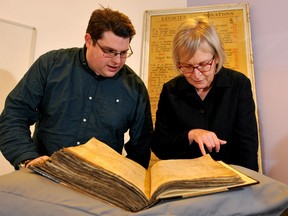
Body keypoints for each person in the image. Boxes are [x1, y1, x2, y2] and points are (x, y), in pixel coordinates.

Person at [0, 7, 153, 169]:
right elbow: (14, 116)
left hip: (99, 187)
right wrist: (28, 158)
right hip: (44, 177)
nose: (117, 61)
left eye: (123, 53)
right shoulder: (51, 65)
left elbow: (141, 148)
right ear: (89, 40)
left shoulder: (135, 88)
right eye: (110, 51)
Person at [151, 16, 259, 171]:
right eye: (187, 66)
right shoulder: (170, 90)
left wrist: (248, 188)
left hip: (230, 181)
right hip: (186, 181)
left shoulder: (239, 85)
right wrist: (191, 135)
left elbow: (247, 147)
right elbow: (160, 146)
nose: (196, 75)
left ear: (216, 57)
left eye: (203, 65)